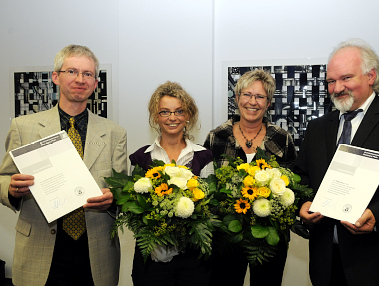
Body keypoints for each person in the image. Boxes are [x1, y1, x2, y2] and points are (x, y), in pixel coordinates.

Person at [295, 38, 379, 286]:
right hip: (327, 262)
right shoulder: (317, 127)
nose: (337, 88)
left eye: (346, 78)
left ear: (371, 76)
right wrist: (302, 203)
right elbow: (301, 176)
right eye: (331, 81)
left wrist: (378, 214)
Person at [0, 45, 127, 286]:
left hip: (95, 252)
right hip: (39, 247)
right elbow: (3, 178)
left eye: (88, 74)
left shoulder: (114, 133)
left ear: (95, 81)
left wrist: (114, 198)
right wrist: (11, 189)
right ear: (56, 77)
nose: (80, 79)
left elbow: (123, 188)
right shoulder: (23, 127)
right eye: (72, 71)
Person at [204, 69, 297, 286]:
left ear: (268, 103)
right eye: (247, 95)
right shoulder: (217, 136)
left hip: (269, 236)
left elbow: (292, 187)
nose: (252, 102)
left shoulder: (282, 139)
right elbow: (205, 185)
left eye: (260, 96)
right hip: (225, 236)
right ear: (237, 98)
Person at [129, 81, 214, 286]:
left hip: (194, 262)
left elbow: (210, 207)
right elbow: (133, 208)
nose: (172, 118)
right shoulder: (140, 158)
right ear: (156, 117)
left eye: (179, 111)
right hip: (152, 260)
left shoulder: (204, 156)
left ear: (188, 116)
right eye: (165, 112)